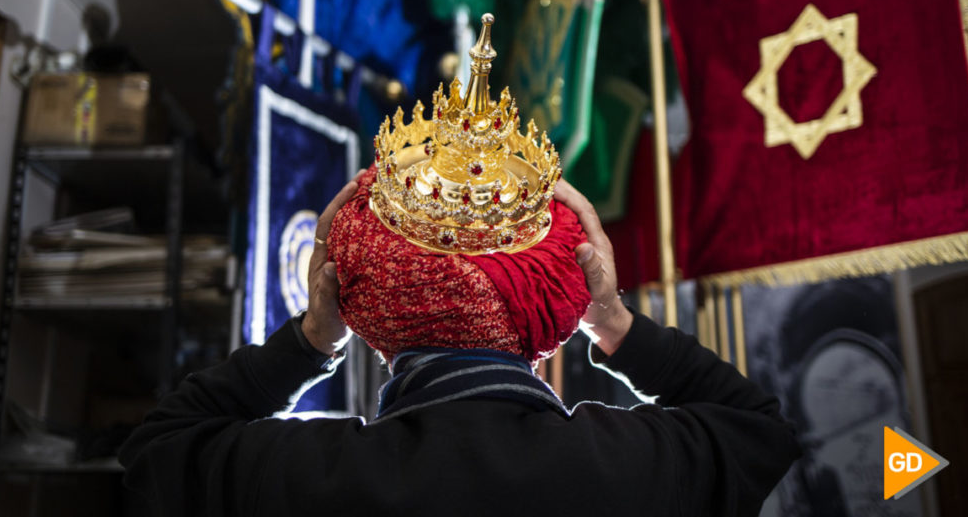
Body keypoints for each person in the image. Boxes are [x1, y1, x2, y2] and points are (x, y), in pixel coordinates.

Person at [119, 172, 800, 516]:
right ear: (552, 317)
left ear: (374, 318)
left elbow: (159, 447)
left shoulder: (314, 475)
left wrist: (311, 338)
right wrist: (615, 321)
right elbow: (758, 430)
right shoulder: (626, 468)